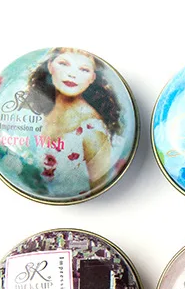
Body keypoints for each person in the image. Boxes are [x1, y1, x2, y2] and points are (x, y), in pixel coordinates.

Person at [25, 48, 122, 197]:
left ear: (93, 78)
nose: (72, 74)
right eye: (64, 64)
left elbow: (99, 186)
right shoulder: (42, 111)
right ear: (50, 66)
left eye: (84, 69)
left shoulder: (91, 129)